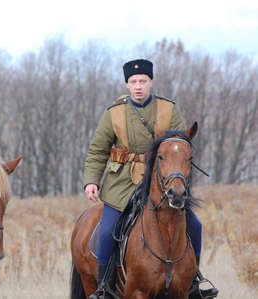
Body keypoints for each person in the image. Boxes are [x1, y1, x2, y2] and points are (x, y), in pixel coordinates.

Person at [83, 59, 218, 299]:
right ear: (126, 84)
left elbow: (180, 144)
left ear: (151, 82)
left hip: (162, 182)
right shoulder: (114, 113)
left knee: (195, 226)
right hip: (122, 182)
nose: (138, 86)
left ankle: (194, 283)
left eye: (143, 81)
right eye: (133, 82)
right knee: (107, 231)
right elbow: (98, 150)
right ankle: (103, 287)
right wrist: (91, 181)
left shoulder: (168, 109)